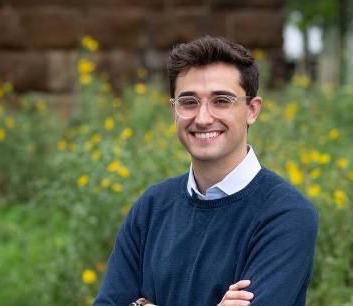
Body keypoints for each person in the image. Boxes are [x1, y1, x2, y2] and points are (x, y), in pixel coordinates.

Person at [93, 36, 318, 306]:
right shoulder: (151, 209)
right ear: (174, 109)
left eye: (221, 100)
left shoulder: (286, 215)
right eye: (189, 102)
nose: (202, 118)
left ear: (252, 110)